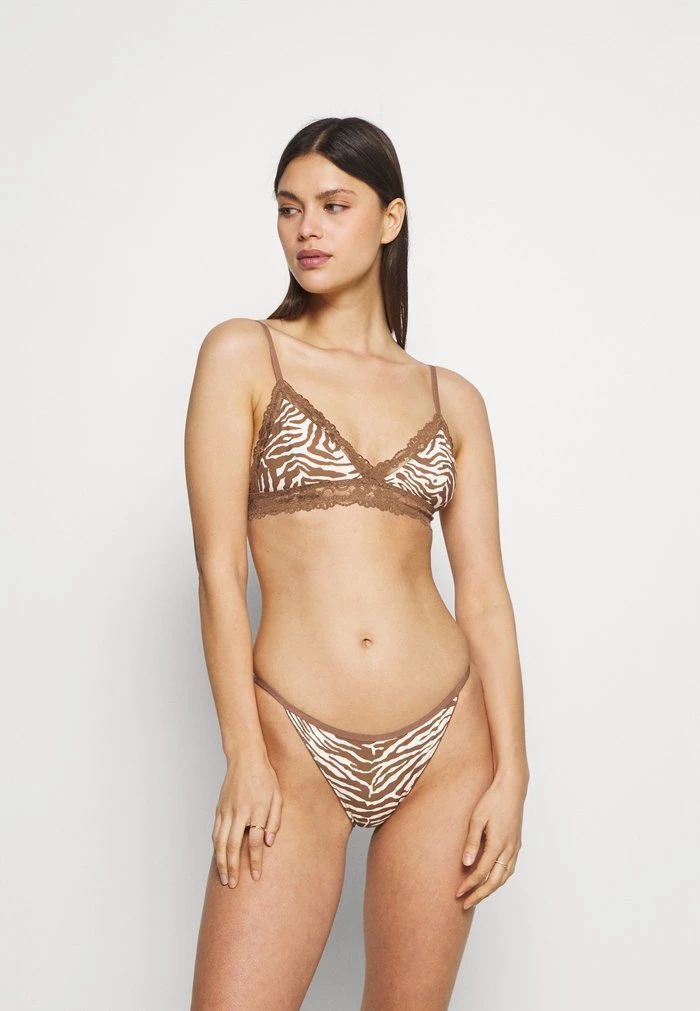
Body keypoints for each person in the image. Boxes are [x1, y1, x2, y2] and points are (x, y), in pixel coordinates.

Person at [185, 116, 529, 1010]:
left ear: (390, 219)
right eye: (289, 207)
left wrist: (513, 773)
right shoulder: (243, 353)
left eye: (335, 206)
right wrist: (244, 753)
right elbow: (218, 572)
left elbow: (484, 597)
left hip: (447, 746)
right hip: (292, 744)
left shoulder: (452, 399)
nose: (308, 228)